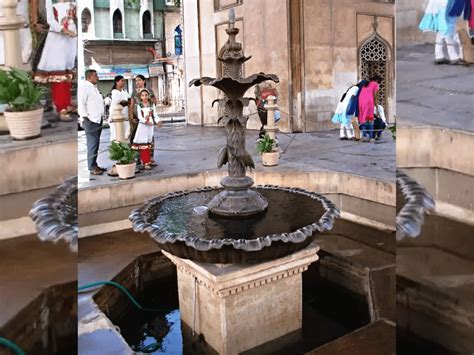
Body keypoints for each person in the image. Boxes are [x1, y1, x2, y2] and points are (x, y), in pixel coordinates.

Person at [31, 0, 77, 121]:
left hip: (70, 40)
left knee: (67, 74)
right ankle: (60, 107)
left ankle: (67, 104)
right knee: (58, 75)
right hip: (57, 40)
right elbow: (51, 20)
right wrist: (65, 30)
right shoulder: (50, 1)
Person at [419, 0, 465, 64]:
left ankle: (439, 56)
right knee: (448, 34)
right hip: (445, 10)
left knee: (441, 33)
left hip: (439, 10)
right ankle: (453, 57)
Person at [78, 69, 105, 175]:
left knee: (96, 143)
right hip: (90, 120)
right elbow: (81, 103)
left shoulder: (94, 88)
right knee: (92, 144)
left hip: (97, 119)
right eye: (95, 75)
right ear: (89, 77)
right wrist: (85, 117)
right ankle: (92, 167)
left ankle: (95, 164)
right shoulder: (84, 87)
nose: (97, 77)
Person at [130, 75, 158, 165]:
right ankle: (137, 158)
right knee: (137, 137)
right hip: (137, 118)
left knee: (149, 138)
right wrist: (131, 116)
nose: (137, 82)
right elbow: (131, 104)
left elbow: (154, 102)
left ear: (144, 81)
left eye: (139, 80)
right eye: (136, 81)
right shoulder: (134, 91)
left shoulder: (149, 90)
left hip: (147, 119)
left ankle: (149, 158)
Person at [358, 75, 381, 142]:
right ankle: (371, 138)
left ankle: (364, 136)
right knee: (370, 120)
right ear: (377, 80)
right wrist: (376, 106)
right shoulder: (375, 84)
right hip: (368, 102)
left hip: (361, 102)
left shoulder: (366, 83)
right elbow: (375, 96)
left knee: (363, 120)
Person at [109, 75, 131, 141]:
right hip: (117, 117)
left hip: (125, 116)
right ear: (117, 82)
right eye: (122, 81)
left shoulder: (124, 91)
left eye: (124, 81)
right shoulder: (114, 92)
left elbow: (129, 100)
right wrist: (128, 102)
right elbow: (121, 103)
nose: (123, 82)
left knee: (126, 136)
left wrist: (128, 102)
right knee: (116, 136)